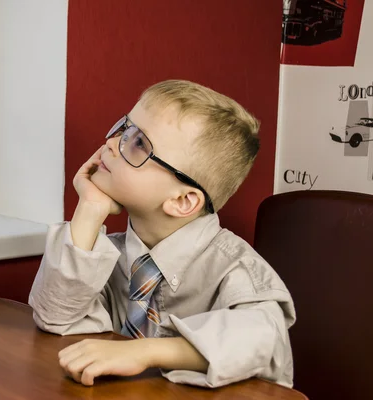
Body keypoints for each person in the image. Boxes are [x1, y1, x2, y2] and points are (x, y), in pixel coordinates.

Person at [28, 79, 295, 388]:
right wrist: (89, 207)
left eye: (139, 143)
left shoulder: (235, 268)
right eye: (124, 128)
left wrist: (146, 352)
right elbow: (54, 317)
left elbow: (264, 338)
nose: (112, 143)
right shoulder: (107, 254)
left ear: (183, 201)